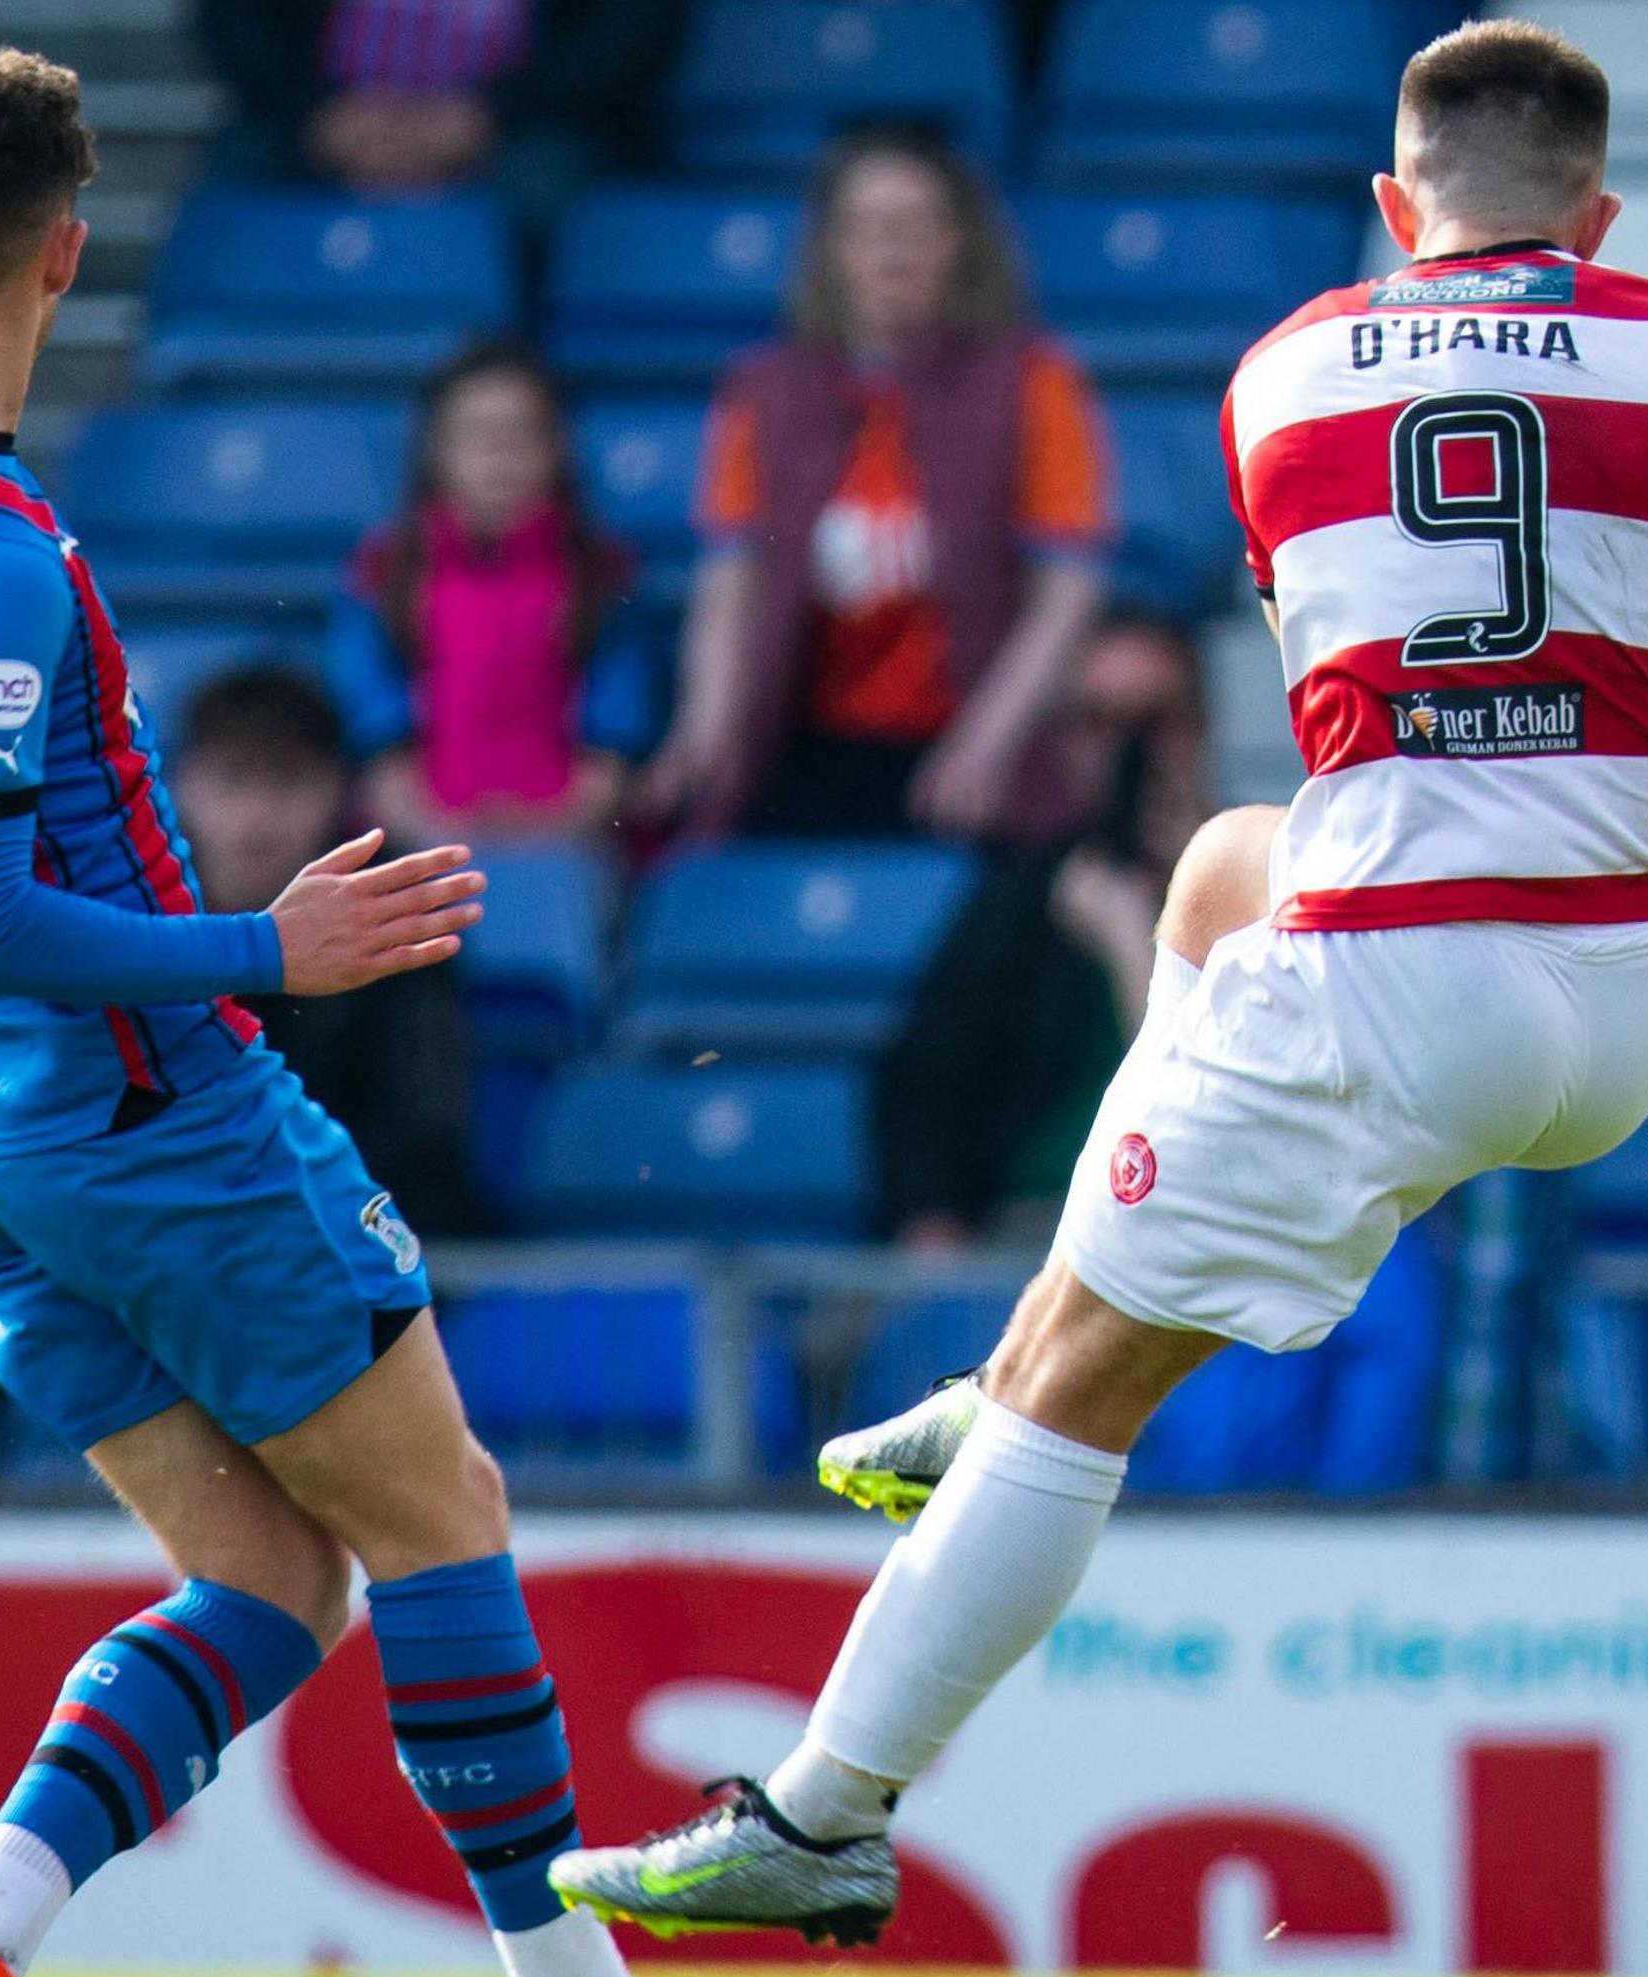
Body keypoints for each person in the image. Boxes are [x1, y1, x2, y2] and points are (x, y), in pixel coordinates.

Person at [551, 21, 1648, 1957]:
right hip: (1639, 983)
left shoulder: (1285, 367)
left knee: (1086, 1393)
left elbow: (1404, 688)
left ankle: (823, 1814)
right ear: (1599, 215)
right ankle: (984, 1386)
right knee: (1224, 863)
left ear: (1400, 206)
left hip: (1413, 978)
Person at [0, 42, 803, 1977]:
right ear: (67, 249)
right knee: (444, 1522)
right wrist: (267, 956)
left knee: (276, 1590)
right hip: (152, 1128)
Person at [642, 123, 1114, 844]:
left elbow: (1067, 592)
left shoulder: (1036, 383)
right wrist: (703, 730)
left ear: (960, 243)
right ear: (832, 250)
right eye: (868, 227)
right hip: (802, 745)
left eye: (916, 226)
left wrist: (985, 746)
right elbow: (728, 583)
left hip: (978, 743)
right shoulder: (762, 390)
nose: (893, 251)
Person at [873, 606, 1208, 1250]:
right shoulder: (1021, 896)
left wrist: (1135, 936)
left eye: (1153, 722)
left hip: (1195, 1234)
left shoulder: (1260, 886)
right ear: (1066, 740)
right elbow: (923, 1079)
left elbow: (1221, 1116)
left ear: (1200, 728)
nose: (1129, 753)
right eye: (1100, 724)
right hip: (1031, 1235)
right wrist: (931, 1225)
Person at [174, 661, 486, 1237]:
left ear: (337, 788)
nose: (255, 817)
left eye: (286, 781)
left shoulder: (402, 921)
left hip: (364, 1257)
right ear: (182, 787)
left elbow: (423, 1136)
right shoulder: (135, 924)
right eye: (232, 779)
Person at [330, 341, 651, 847]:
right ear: (435, 452)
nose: (500, 456)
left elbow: (612, 740)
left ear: (559, 449)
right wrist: (434, 833)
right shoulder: (384, 572)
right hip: (420, 844)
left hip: (569, 845)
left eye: (521, 435)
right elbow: (376, 729)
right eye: (476, 436)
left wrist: (552, 834)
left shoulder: (601, 574)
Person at [192, 0, 682, 232]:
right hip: (325, 120)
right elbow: (235, 21)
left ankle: (513, 386)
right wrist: (315, 116)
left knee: (545, 191)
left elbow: (627, 35)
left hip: (527, 127)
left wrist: (493, 116)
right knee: (235, 188)